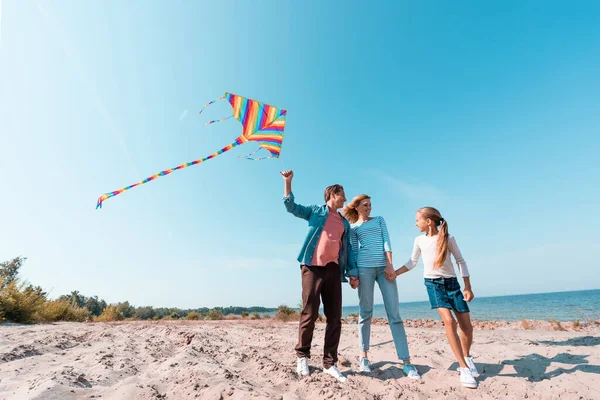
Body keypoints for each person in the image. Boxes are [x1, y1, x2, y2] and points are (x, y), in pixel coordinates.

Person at [281, 169, 357, 383]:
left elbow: (348, 249)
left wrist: (352, 273)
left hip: (334, 270)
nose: (345, 198)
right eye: (342, 194)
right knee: (309, 313)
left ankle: (330, 363)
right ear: (333, 194)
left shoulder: (344, 222)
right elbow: (291, 207)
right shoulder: (316, 211)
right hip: (312, 267)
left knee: (335, 318)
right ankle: (303, 356)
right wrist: (288, 183)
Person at [394, 207, 478, 389]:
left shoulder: (448, 239)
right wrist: (395, 273)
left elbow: (460, 261)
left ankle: (467, 357)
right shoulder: (419, 240)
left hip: (453, 285)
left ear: (429, 221)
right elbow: (412, 262)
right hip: (433, 285)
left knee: (467, 327)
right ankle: (463, 368)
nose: (415, 223)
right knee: (449, 322)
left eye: (418, 220)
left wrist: (468, 287)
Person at [342, 194, 421, 380]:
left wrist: (390, 264)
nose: (369, 207)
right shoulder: (353, 228)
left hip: (385, 270)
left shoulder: (379, 220)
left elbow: (387, 241)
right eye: (365, 205)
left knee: (394, 314)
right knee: (365, 312)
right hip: (364, 269)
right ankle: (364, 357)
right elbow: (353, 250)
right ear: (357, 207)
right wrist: (353, 275)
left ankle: (407, 362)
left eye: (370, 204)